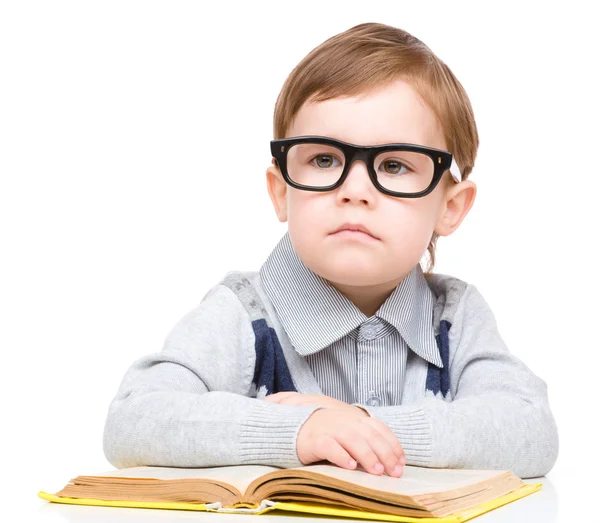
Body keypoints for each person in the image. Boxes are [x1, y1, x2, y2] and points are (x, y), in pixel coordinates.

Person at [103, 22, 558, 479]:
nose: (355, 190)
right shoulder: (244, 315)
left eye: (395, 164)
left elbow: (530, 431)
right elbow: (133, 420)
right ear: (281, 191)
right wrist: (298, 430)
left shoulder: (455, 318)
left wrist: (363, 427)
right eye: (324, 160)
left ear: (450, 207)